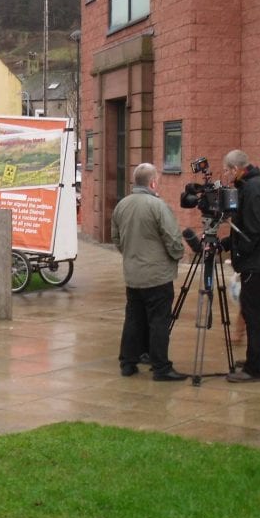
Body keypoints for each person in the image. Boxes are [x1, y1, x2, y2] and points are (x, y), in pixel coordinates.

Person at [111, 163, 188, 381]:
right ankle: (161, 367)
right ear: (153, 182)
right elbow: (172, 238)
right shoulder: (158, 205)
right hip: (157, 275)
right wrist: (177, 255)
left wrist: (131, 255)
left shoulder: (122, 205)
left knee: (134, 318)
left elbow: (116, 238)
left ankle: (128, 362)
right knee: (159, 321)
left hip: (133, 274)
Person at [221, 150, 260, 383]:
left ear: (236, 169)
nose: (226, 175)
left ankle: (254, 368)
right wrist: (227, 244)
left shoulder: (252, 188)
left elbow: (252, 230)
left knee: (253, 312)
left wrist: (239, 254)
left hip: (258, 262)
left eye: (227, 170)